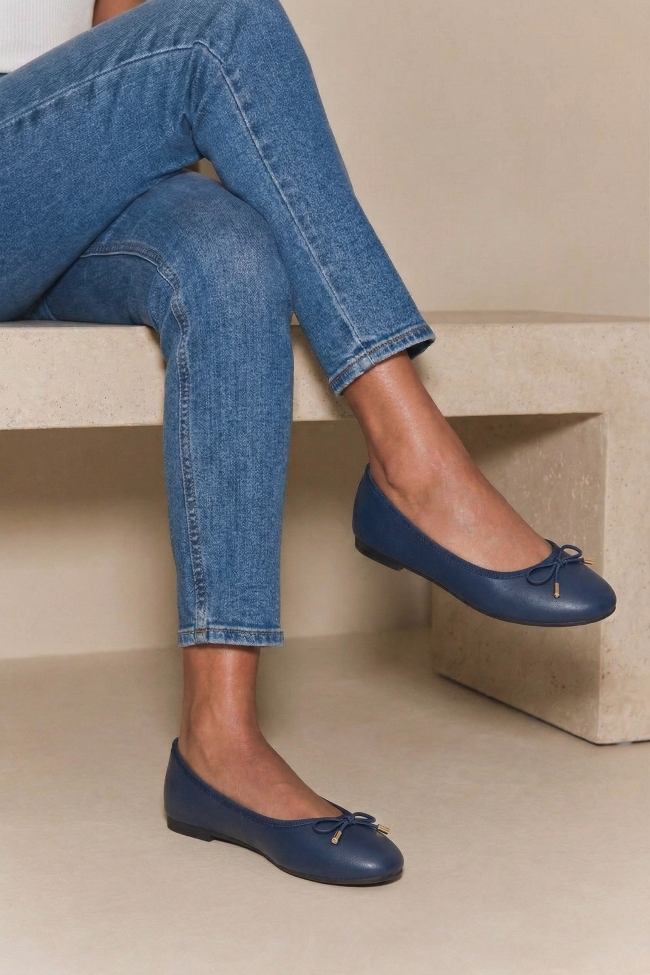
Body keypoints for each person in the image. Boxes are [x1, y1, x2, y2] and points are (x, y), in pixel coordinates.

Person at [0, 0, 615, 886]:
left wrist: (125, 116)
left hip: (60, 160)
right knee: (229, 25)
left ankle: (218, 744)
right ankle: (413, 466)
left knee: (234, 254)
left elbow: (126, 26)